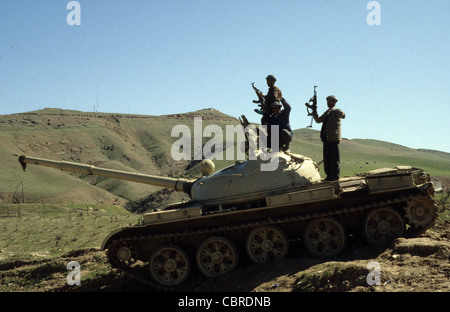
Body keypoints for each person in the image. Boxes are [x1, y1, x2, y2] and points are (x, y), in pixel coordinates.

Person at [312, 95, 346, 181]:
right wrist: (314, 110)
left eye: (331, 101)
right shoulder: (327, 112)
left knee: (334, 158)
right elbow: (318, 120)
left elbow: (342, 114)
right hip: (326, 138)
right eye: (328, 101)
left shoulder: (336, 111)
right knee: (327, 158)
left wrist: (341, 114)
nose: (329, 103)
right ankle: (329, 175)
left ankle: (335, 176)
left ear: (334, 102)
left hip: (333, 138)